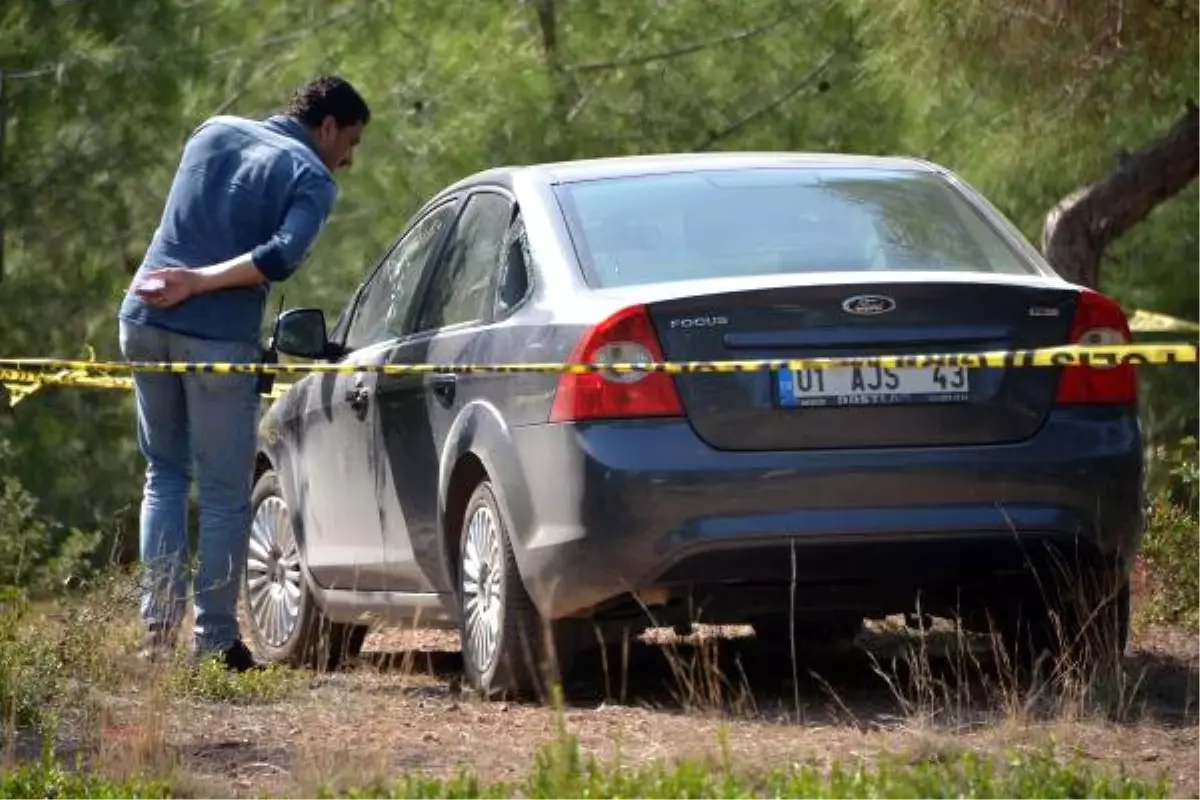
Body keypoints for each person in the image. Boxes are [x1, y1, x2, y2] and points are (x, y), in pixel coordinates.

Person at [117, 76, 370, 672]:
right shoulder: (311, 176)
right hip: (217, 339)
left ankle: (155, 638)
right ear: (326, 126)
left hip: (142, 317)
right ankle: (214, 643)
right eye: (350, 140)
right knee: (227, 492)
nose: (349, 158)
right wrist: (201, 282)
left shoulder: (212, 130)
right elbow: (280, 257)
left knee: (165, 475)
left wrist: (180, 279)